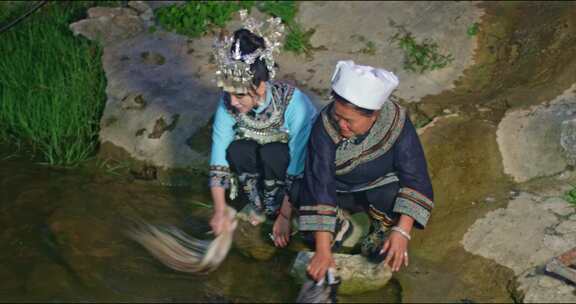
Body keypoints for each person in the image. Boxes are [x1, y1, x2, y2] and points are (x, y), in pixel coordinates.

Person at [298, 60, 434, 281]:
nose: (341, 125)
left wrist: (402, 232)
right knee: (301, 198)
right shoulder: (323, 127)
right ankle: (339, 221)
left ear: (374, 116)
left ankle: (381, 227)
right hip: (338, 191)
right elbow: (320, 184)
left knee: (392, 194)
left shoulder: (396, 120)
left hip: (377, 188)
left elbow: (415, 176)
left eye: (349, 121)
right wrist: (323, 251)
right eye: (338, 117)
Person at [208, 11, 317, 248]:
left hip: (291, 169)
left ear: (260, 87)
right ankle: (259, 205)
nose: (232, 103)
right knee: (237, 149)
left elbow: (298, 167)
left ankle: (282, 207)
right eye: (228, 94)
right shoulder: (229, 102)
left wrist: (286, 216)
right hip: (259, 165)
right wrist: (219, 209)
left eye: (238, 95)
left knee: (274, 153)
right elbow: (219, 157)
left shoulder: (293, 104)